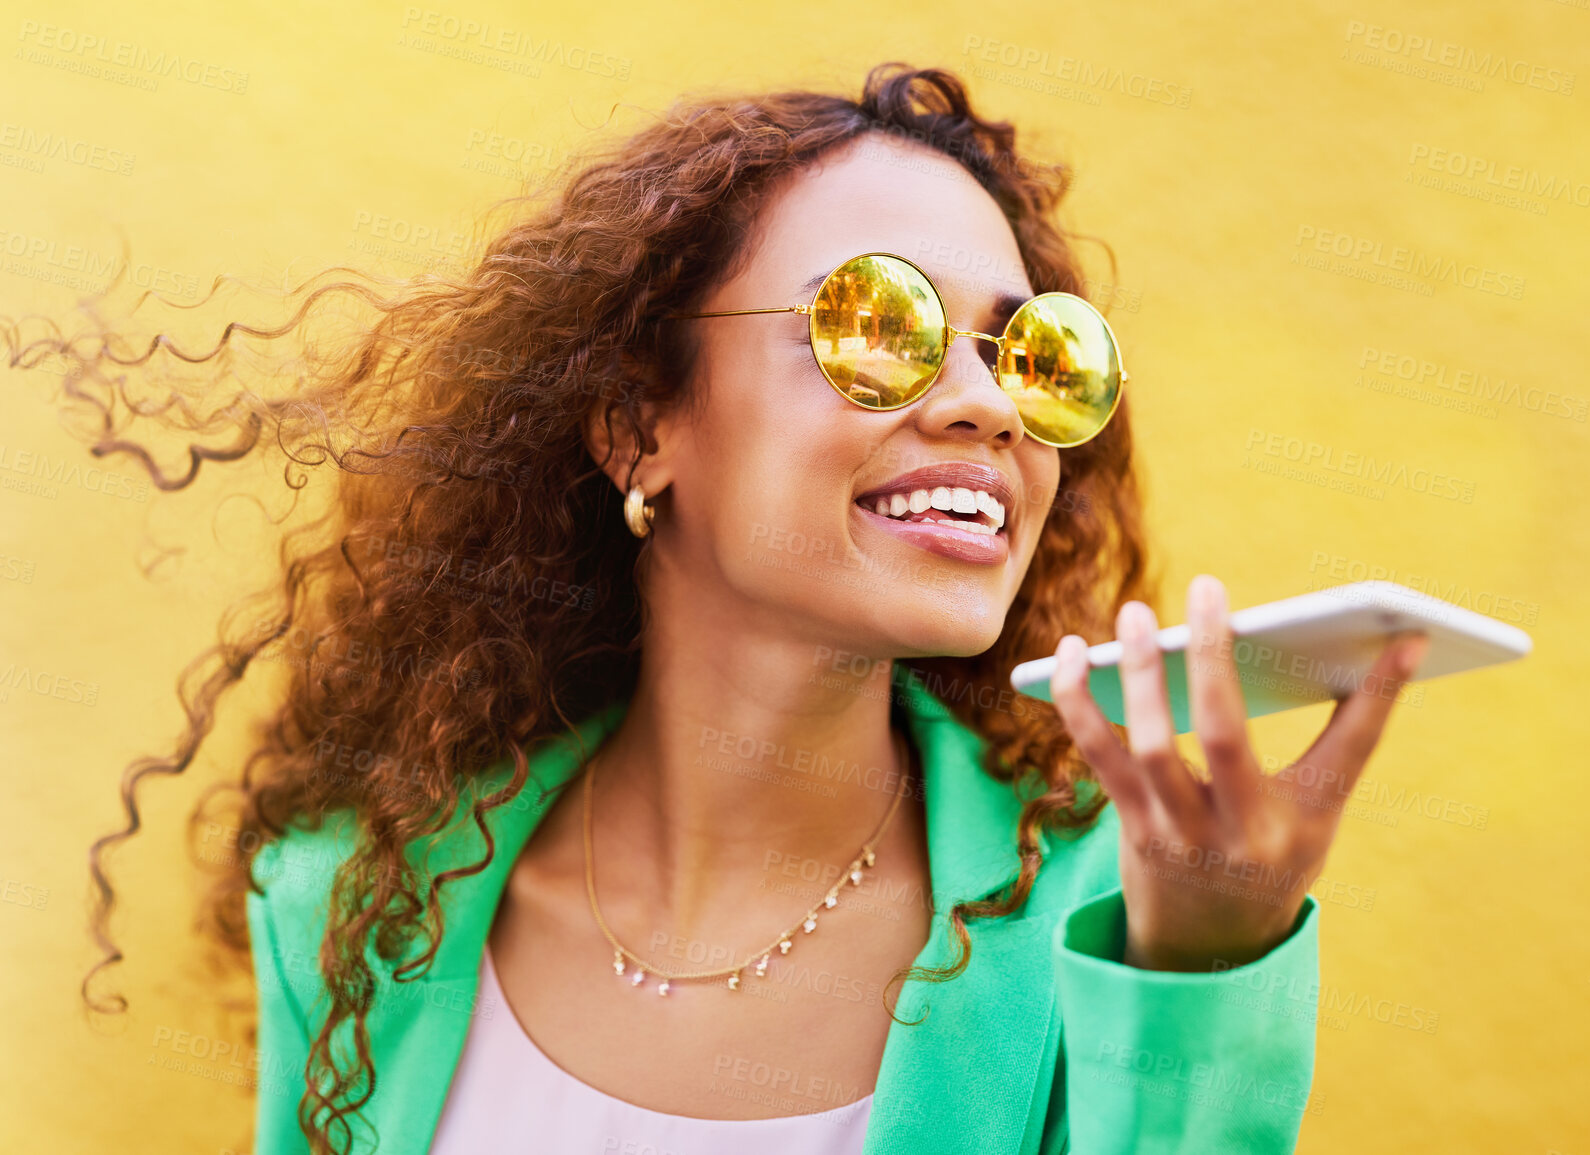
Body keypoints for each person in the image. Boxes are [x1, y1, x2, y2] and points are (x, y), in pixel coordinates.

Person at [62, 62, 1426, 1155]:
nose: (987, 404)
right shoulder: (350, 902)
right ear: (640, 426)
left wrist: (1193, 989)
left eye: (1034, 355)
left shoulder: (1110, 925)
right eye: (876, 327)